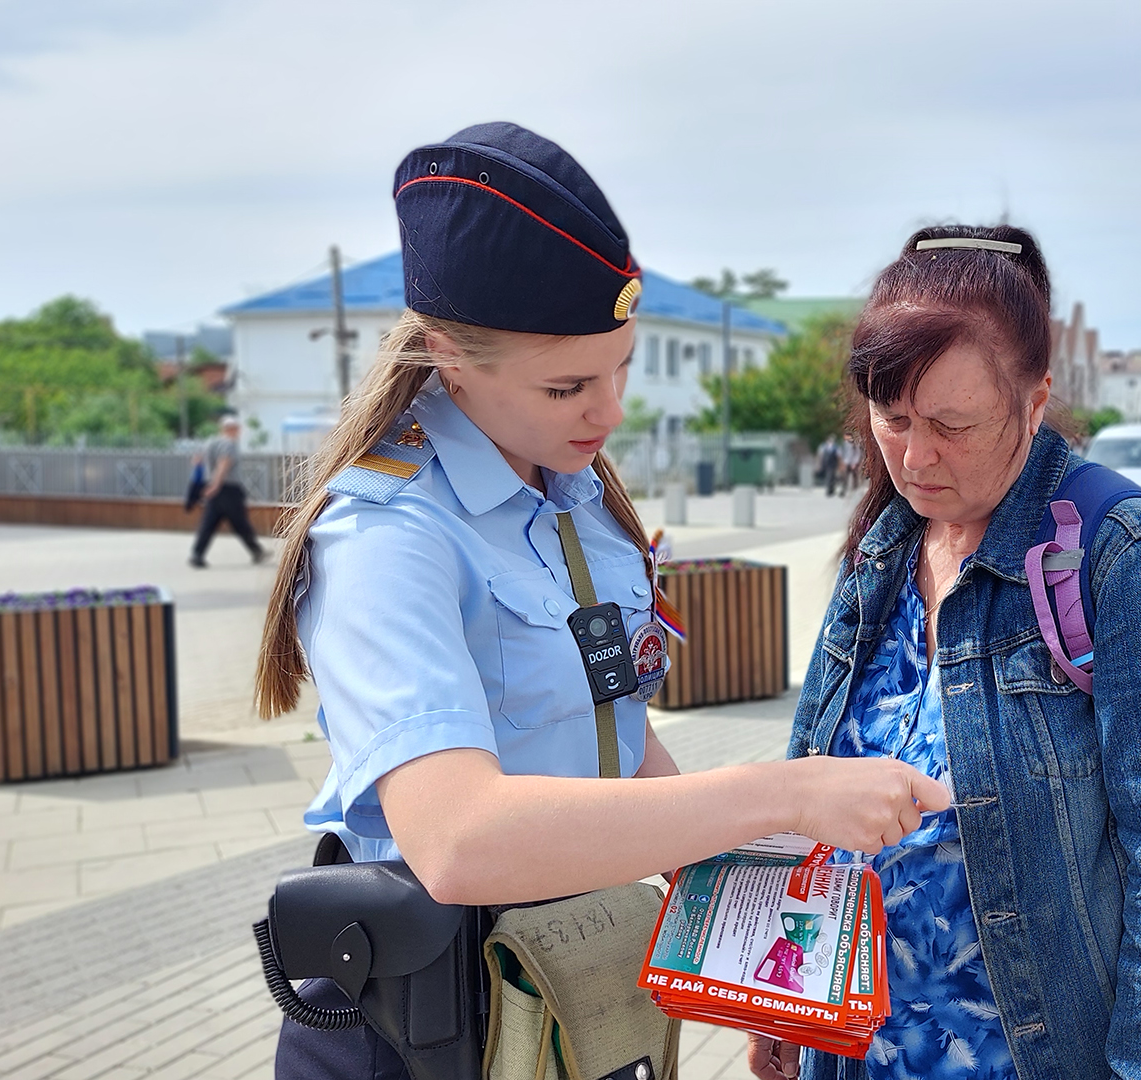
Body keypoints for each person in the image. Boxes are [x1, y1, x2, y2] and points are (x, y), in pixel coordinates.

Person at [254, 122, 948, 1080]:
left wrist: (768, 955)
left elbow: (618, 749)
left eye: (622, 366)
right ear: (452, 356)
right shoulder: (388, 534)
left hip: (564, 994)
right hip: (433, 1024)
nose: (610, 410)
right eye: (570, 383)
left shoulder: (567, 494)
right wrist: (778, 793)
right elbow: (459, 840)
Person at [753, 225, 1141, 1080]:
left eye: (954, 424)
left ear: (1034, 402)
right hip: (859, 1052)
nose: (916, 458)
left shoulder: (1128, 567)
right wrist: (783, 1001)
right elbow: (815, 777)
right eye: (894, 420)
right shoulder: (882, 551)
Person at [190, 413, 266, 568]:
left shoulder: (210, 443)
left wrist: (208, 484)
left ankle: (197, 554)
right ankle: (256, 550)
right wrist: (216, 486)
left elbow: (197, 460)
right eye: (237, 429)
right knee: (239, 521)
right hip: (227, 488)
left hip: (214, 486)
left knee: (209, 523)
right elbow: (224, 464)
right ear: (230, 429)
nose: (239, 432)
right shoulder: (229, 444)